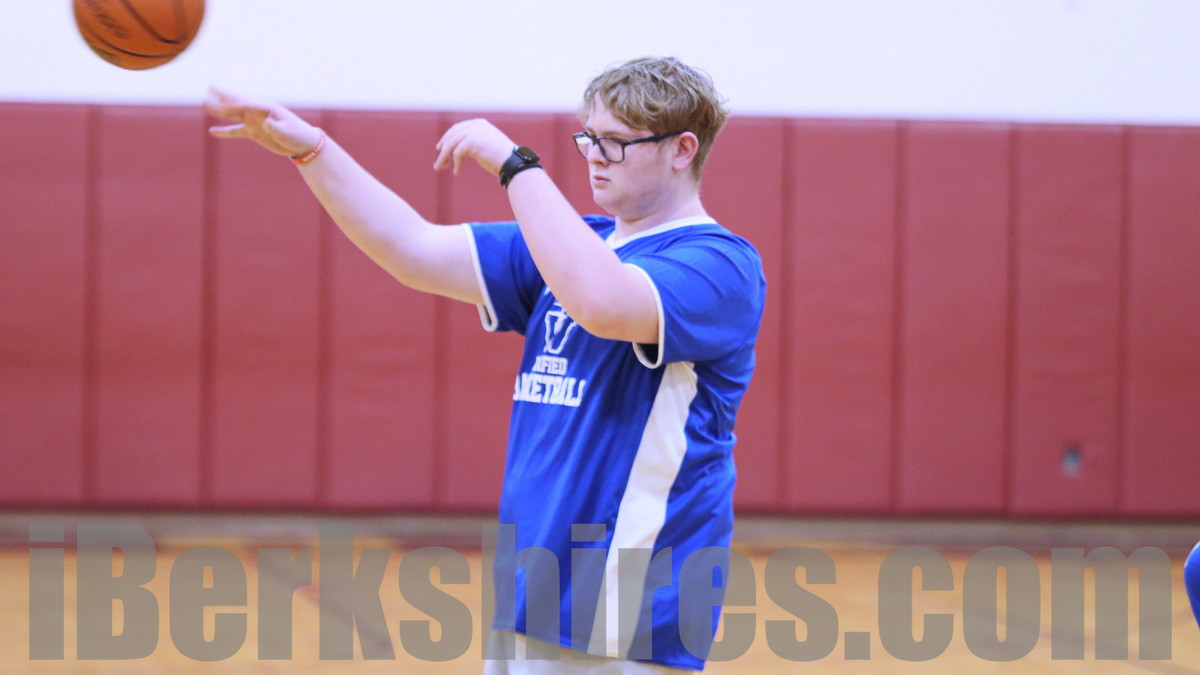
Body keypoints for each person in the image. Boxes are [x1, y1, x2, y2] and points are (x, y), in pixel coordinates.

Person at [206, 56, 765, 673]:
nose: (595, 156)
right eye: (589, 138)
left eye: (616, 142)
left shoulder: (720, 265)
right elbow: (412, 249)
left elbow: (603, 301)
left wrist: (517, 167)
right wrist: (313, 149)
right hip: (535, 590)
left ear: (682, 149)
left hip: (627, 606)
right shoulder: (577, 244)